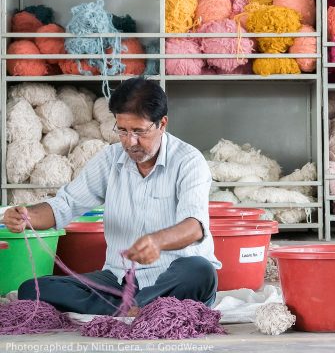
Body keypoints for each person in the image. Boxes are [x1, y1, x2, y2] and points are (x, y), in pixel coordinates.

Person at [2, 77, 220, 315]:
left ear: (162, 124)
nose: (130, 142)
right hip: (118, 280)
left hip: (173, 279)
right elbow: (66, 203)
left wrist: (158, 241)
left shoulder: (188, 161)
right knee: (32, 289)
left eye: (139, 131)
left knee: (201, 272)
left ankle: (135, 306)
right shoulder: (109, 159)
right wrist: (28, 216)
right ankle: (137, 309)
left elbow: (194, 227)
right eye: (123, 130)